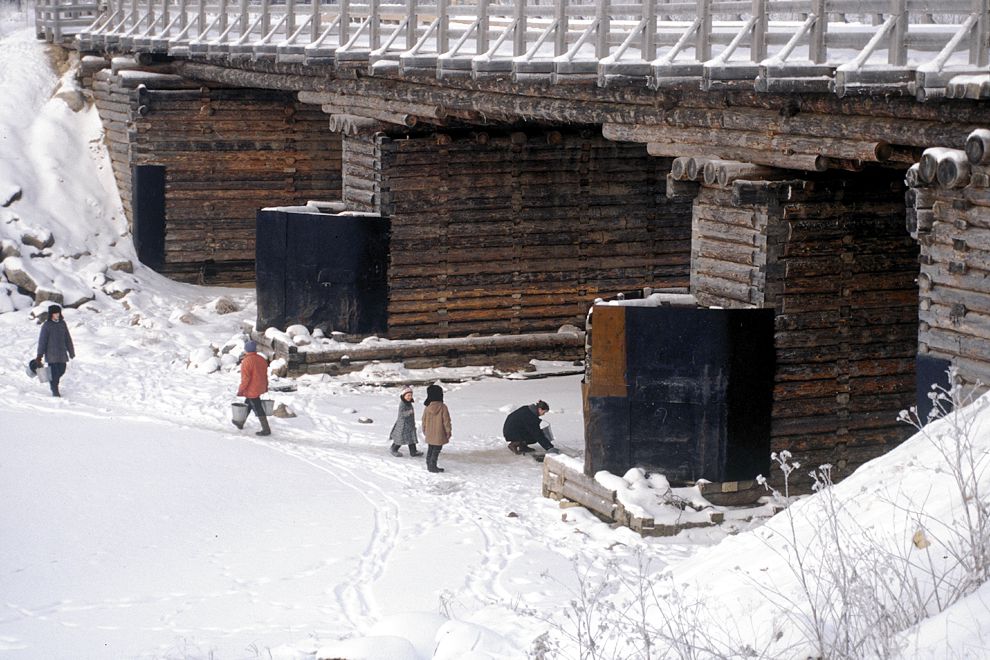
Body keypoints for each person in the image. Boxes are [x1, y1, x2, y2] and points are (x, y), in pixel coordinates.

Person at [36, 304, 75, 397]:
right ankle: (55, 390)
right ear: (51, 314)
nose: (57, 314)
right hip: (51, 354)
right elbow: (42, 341)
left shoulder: (62, 323)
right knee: (54, 373)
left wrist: (71, 351)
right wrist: (39, 355)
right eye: (55, 313)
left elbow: (67, 338)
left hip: (62, 353)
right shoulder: (47, 325)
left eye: (58, 313)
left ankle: (52, 381)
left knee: (61, 370)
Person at [235, 340, 271, 436]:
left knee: (257, 406)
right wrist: (266, 386)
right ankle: (240, 422)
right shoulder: (261, 359)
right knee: (248, 404)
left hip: (252, 388)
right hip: (260, 386)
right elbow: (265, 375)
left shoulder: (246, 361)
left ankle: (266, 429)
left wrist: (241, 390)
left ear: (246, 350)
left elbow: (245, 379)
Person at [421, 384, 451, 473]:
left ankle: (428, 463)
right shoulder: (443, 407)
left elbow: (424, 420)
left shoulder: (427, 407)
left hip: (429, 433)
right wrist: (448, 431)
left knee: (430, 448)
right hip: (439, 434)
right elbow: (446, 421)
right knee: (436, 450)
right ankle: (432, 466)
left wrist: (424, 429)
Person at [388, 386, 422, 457]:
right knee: (400, 438)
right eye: (408, 395)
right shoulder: (402, 404)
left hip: (410, 424)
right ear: (404, 395)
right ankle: (394, 448)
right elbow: (402, 414)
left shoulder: (408, 402)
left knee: (411, 438)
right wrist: (409, 412)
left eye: (411, 395)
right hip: (403, 425)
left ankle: (413, 451)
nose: (409, 397)